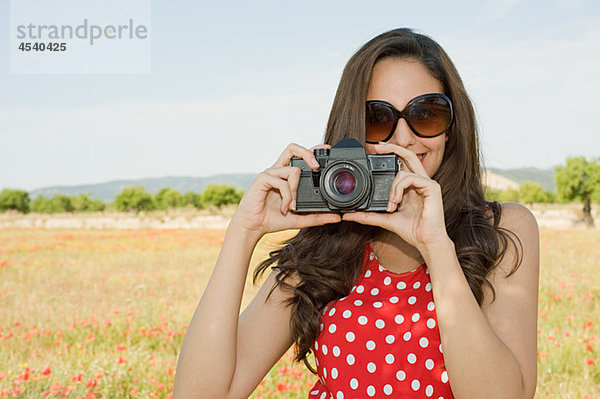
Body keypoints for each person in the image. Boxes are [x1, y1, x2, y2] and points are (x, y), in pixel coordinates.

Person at [173, 28, 540, 399]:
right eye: (377, 118)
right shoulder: (326, 246)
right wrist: (243, 231)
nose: (403, 138)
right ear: (352, 129)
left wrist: (436, 247)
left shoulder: (501, 230)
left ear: (452, 126)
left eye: (426, 114)